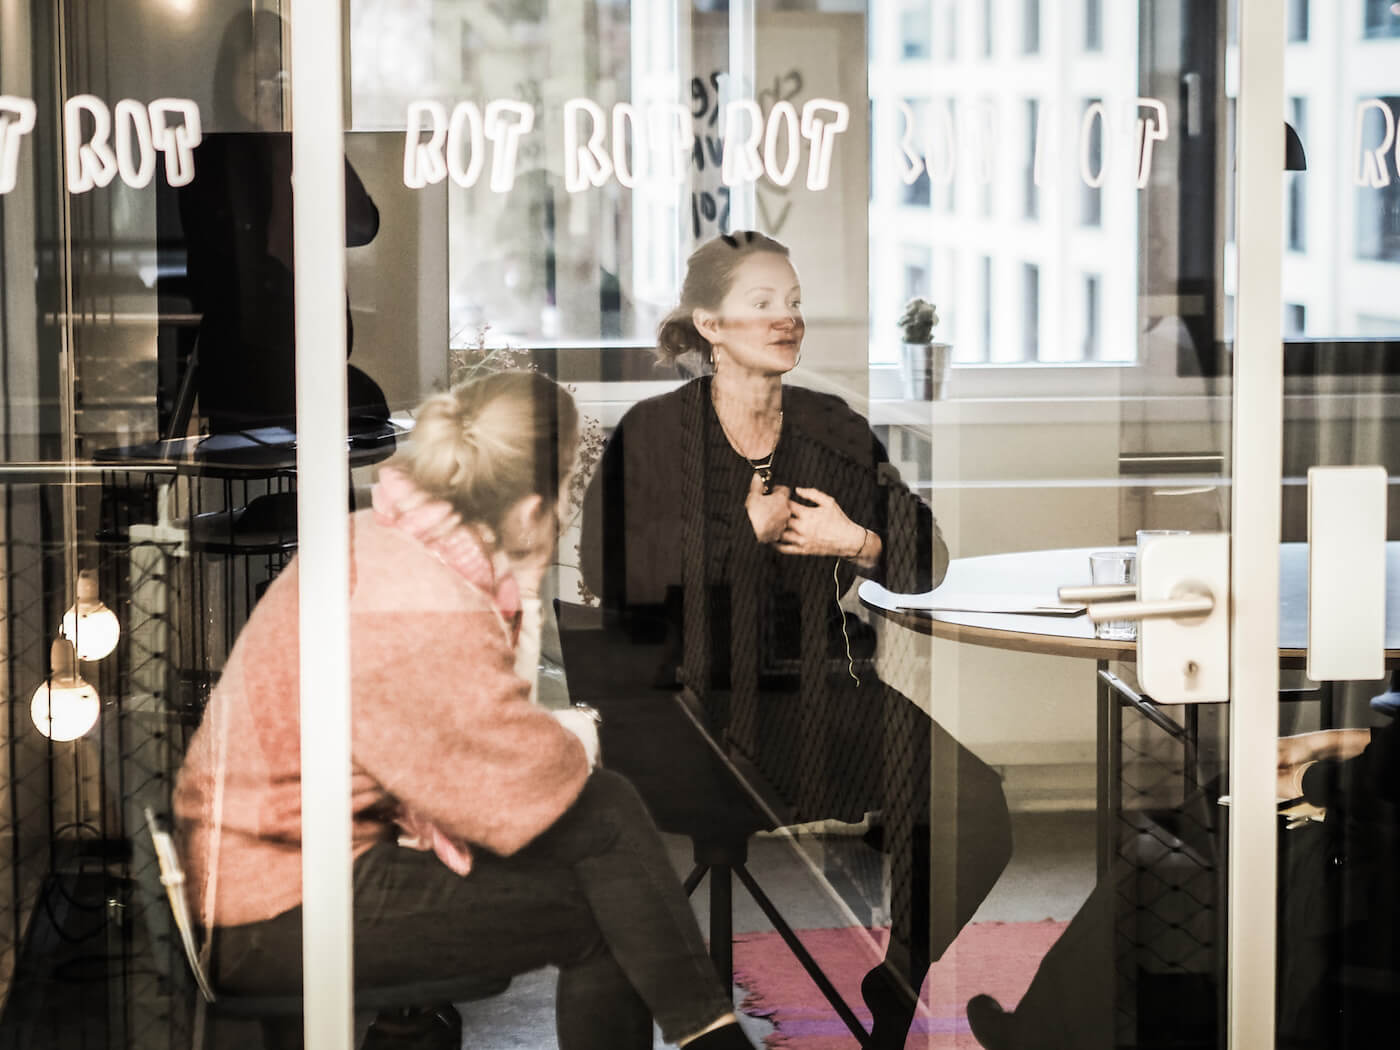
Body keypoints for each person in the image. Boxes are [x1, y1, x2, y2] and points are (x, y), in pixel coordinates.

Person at [173, 372, 760, 1050]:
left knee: (608, 838)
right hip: (275, 912)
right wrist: (581, 731)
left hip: (271, 875)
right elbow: (503, 787)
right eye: (564, 494)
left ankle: (714, 1038)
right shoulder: (426, 594)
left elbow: (463, 756)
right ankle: (715, 1039)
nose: (565, 515)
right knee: (611, 897)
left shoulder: (387, 541)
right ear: (531, 506)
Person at [578, 231, 1014, 1048]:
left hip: (815, 697)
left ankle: (898, 981)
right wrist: (738, 532)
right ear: (710, 325)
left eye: (795, 303)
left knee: (975, 808)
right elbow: (610, 573)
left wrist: (860, 542)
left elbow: (929, 558)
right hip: (681, 713)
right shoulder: (655, 433)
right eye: (763, 303)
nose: (788, 319)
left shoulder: (830, 429)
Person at [962, 724, 1399, 1050]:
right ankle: (1048, 1026)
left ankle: (1043, 1031)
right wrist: (1316, 746)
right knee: (1192, 823)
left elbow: (1380, 778)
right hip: (1367, 808)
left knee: (1161, 865)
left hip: (1372, 856)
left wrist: (1302, 777)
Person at [176, 8, 388, 435]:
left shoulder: (307, 145)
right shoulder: (209, 157)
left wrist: (302, 130)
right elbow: (227, 264)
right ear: (229, 79)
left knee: (355, 438)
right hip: (242, 373)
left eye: (279, 73)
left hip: (319, 354)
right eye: (255, 73)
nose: (266, 86)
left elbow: (361, 227)